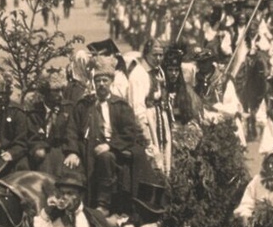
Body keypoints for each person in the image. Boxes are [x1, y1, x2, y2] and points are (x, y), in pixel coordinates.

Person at [67, 56, 147, 216]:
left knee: (105, 158)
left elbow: (129, 133)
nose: (101, 84)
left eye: (104, 80)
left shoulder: (121, 106)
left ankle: (103, 204)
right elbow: (72, 129)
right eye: (98, 81)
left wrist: (110, 146)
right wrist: (73, 151)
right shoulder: (84, 105)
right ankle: (71, 207)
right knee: (68, 165)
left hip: (114, 149)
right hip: (87, 148)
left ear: (111, 82)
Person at [127, 38, 175, 176]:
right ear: (146, 54)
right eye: (155, 55)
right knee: (152, 158)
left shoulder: (158, 71)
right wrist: (146, 136)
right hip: (148, 122)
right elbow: (137, 108)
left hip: (159, 118)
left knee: (164, 155)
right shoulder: (138, 74)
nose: (159, 58)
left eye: (161, 55)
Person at [27, 71, 78, 177]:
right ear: (45, 92)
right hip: (41, 151)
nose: (60, 95)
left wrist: (73, 152)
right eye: (55, 91)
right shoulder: (34, 111)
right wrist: (38, 147)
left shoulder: (68, 108)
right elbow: (32, 134)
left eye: (61, 90)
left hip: (62, 150)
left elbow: (71, 132)